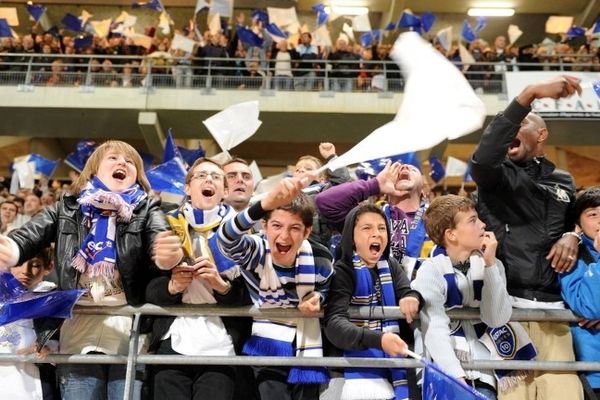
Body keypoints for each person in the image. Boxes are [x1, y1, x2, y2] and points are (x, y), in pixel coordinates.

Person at [0, 140, 179, 400]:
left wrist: (166, 256)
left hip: (127, 328)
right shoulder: (67, 207)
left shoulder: (146, 208)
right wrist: (13, 249)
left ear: (137, 176)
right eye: (113, 158)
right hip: (78, 328)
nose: (122, 163)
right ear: (93, 171)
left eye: (130, 161)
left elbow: (159, 235)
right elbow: (33, 233)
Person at [471, 75, 584, 399]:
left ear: (541, 134)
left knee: (565, 393)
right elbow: (483, 157)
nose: (515, 129)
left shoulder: (564, 179)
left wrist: (571, 234)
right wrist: (527, 96)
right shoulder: (495, 175)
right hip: (507, 309)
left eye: (524, 123)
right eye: (513, 123)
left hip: (554, 312)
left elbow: (582, 222)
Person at [218, 177, 334, 400]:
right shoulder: (255, 251)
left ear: (307, 232)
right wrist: (264, 204)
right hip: (267, 343)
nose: (283, 236)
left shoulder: (322, 260)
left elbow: (328, 289)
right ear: (264, 226)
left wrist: (319, 298)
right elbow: (225, 239)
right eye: (277, 226)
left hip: (308, 345)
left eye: (294, 228)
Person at [147, 158, 243, 400]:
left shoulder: (242, 232)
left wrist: (222, 286)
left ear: (225, 191)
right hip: (172, 339)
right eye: (200, 176)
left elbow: (253, 295)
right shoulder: (165, 226)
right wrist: (172, 286)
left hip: (221, 341)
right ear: (187, 188)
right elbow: (145, 289)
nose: (208, 179)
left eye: (215, 176)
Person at [412, 195, 517, 399]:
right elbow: (434, 328)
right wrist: (455, 376)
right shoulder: (430, 270)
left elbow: (495, 319)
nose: (483, 225)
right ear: (451, 234)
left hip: (484, 372)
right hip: (443, 373)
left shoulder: (493, 264)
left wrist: (491, 265)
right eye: (473, 220)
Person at [324, 202, 423, 400]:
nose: (376, 234)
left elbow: (407, 291)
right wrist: (378, 340)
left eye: (381, 228)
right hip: (349, 371)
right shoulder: (343, 271)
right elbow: (334, 324)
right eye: (367, 228)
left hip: (394, 366)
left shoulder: (392, 265)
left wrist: (412, 298)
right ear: (351, 237)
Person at [316, 161, 431, 279]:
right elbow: (325, 202)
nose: (405, 166)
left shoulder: (436, 219)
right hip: (369, 292)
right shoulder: (366, 215)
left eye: (413, 169)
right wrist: (374, 185)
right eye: (397, 172)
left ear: (423, 189)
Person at [0, 249, 59, 400]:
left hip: (33, 385)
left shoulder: (51, 299)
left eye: (35, 265)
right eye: (19, 263)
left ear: (48, 267)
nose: (25, 271)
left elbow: (60, 341)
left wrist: (46, 347)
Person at [559, 186, 600, 397]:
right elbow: (590, 308)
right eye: (593, 215)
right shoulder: (571, 258)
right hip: (593, 375)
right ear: (579, 226)